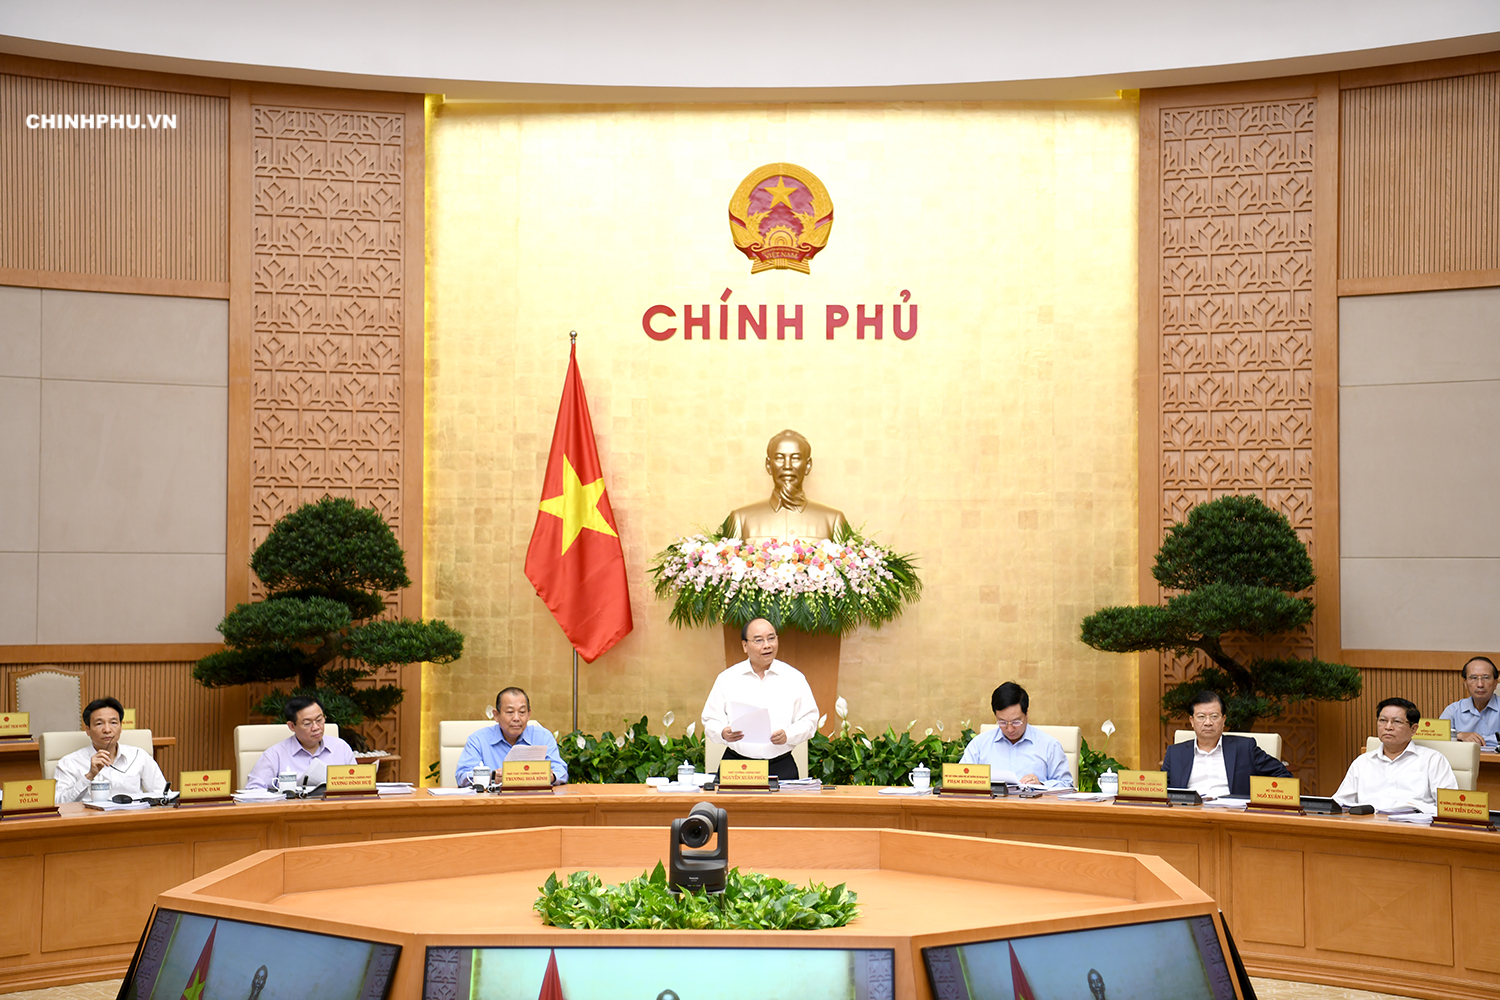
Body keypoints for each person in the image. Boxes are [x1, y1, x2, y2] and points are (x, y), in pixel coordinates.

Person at [701, 617, 819, 781]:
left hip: (780, 766)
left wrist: (788, 735)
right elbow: (710, 719)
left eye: (771, 638)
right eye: (759, 640)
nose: (767, 645)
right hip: (738, 766)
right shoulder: (727, 678)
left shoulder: (794, 678)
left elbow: (809, 720)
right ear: (745, 646)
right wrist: (722, 732)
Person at [1333, 697, 1457, 813]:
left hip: (1413, 825)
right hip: (1369, 823)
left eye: (1396, 722)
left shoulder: (1433, 760)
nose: (1388, 727)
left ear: (1413, 729)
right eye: (1383, 720)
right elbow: (1339, 803)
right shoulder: (1362, 762)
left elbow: (1449, 807)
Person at [723, 429, 850, 542]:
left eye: (795, 458)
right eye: (779, 458)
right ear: (768, 465)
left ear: (808, 465)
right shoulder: (741, 519)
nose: (787, 466)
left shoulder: (833, 521)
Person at [1161, 690, 1291, 797]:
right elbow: (1161, 791)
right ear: (1192, 721)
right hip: (1189, 815)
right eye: (1201, 717)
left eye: (1214, 716)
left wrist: (1257, 799)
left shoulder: (1245, 748)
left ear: (1224, 720)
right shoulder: (1175, 753)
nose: (1208, 723)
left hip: (1232, 816)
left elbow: (1283, 776)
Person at [958, 682, 1073, 788]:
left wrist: (1041, 785)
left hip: (1032, 804)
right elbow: (961, 780)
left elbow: (1067, 785)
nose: (1010, 729)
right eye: (1002, 722)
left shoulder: (1049, 745)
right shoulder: (979, 745)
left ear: (1026, 713)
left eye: (1016, 722)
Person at [53, 697, 167, 803]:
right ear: (88, 730)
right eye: (99, 724)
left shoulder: (139, 756)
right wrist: (89, 776)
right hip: (90, 817)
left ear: (121, 727)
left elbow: (163, 794)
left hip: (133, 816)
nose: (107, 730)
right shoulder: (69, 762)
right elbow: (58, 802)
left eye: (113, 723)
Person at [455, 687, 567, 786]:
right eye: (510, 712)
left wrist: (550, 777)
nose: (516, 718)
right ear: (496, 715)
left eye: (522, 712)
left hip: (533, 800)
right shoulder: (478, 740)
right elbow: (462, 776)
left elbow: (561, 771)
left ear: (529, 715)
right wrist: (490, 778)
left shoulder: (543, 737)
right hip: (493, 801)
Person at [245, 695, 358, 790]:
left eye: (319, 720)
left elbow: (357, 785)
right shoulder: (275, 755)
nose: (316, 727)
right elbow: (253, 790)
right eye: (307, 723)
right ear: (292, 726)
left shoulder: (340, 747)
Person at [1438, 655, 1500, 746]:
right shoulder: (1454, 710)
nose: (1480, 684)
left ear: (1495, 683)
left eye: (1486, 677)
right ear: (1465, 683)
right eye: (1474, 678)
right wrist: (1459, 735)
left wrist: (1479, 740)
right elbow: (1438, 736)